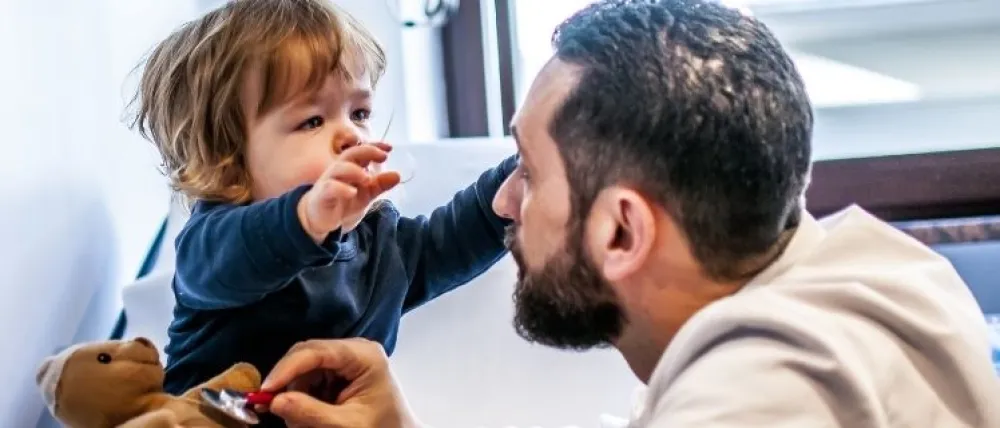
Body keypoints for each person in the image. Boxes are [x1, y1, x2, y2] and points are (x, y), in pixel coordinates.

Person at [255, 0, 1000, 427]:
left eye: (528, 172)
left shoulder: (756, 401)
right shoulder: (888, 269)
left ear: (621, 230)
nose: (506, 204)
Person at [127, 0, 514, 426]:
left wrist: (523, 173)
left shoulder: (383, 246)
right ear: (228, 158)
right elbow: (244, 253)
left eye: (360, 112)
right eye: (312, 121)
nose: (351, 132)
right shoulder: (213, 243)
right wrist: (306, 218)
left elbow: (461, 232)